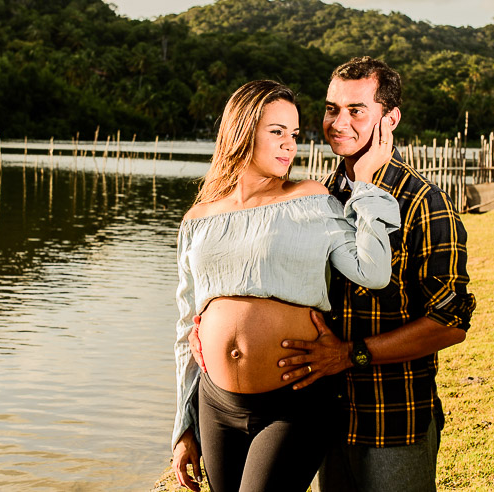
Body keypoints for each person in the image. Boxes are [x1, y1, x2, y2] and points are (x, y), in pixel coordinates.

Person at [170, 79, 400, 492]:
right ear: (242, 131)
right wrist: (183, 428)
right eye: (277, 132)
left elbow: (373, 271)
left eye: (294, 135)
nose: (290, 145)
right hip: (216, 403)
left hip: (293, 401)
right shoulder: (198, 218)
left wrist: (365, 181)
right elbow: (187, 325)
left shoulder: (310, 199)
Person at [275, 57, 476, 492]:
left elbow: (451, 322)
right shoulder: (319, 197)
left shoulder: (423, 201)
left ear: (391, 118)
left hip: (393, 422)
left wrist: (349, 354)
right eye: (332, 109)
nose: (338, 122)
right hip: (326, 419)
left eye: (356, 110)